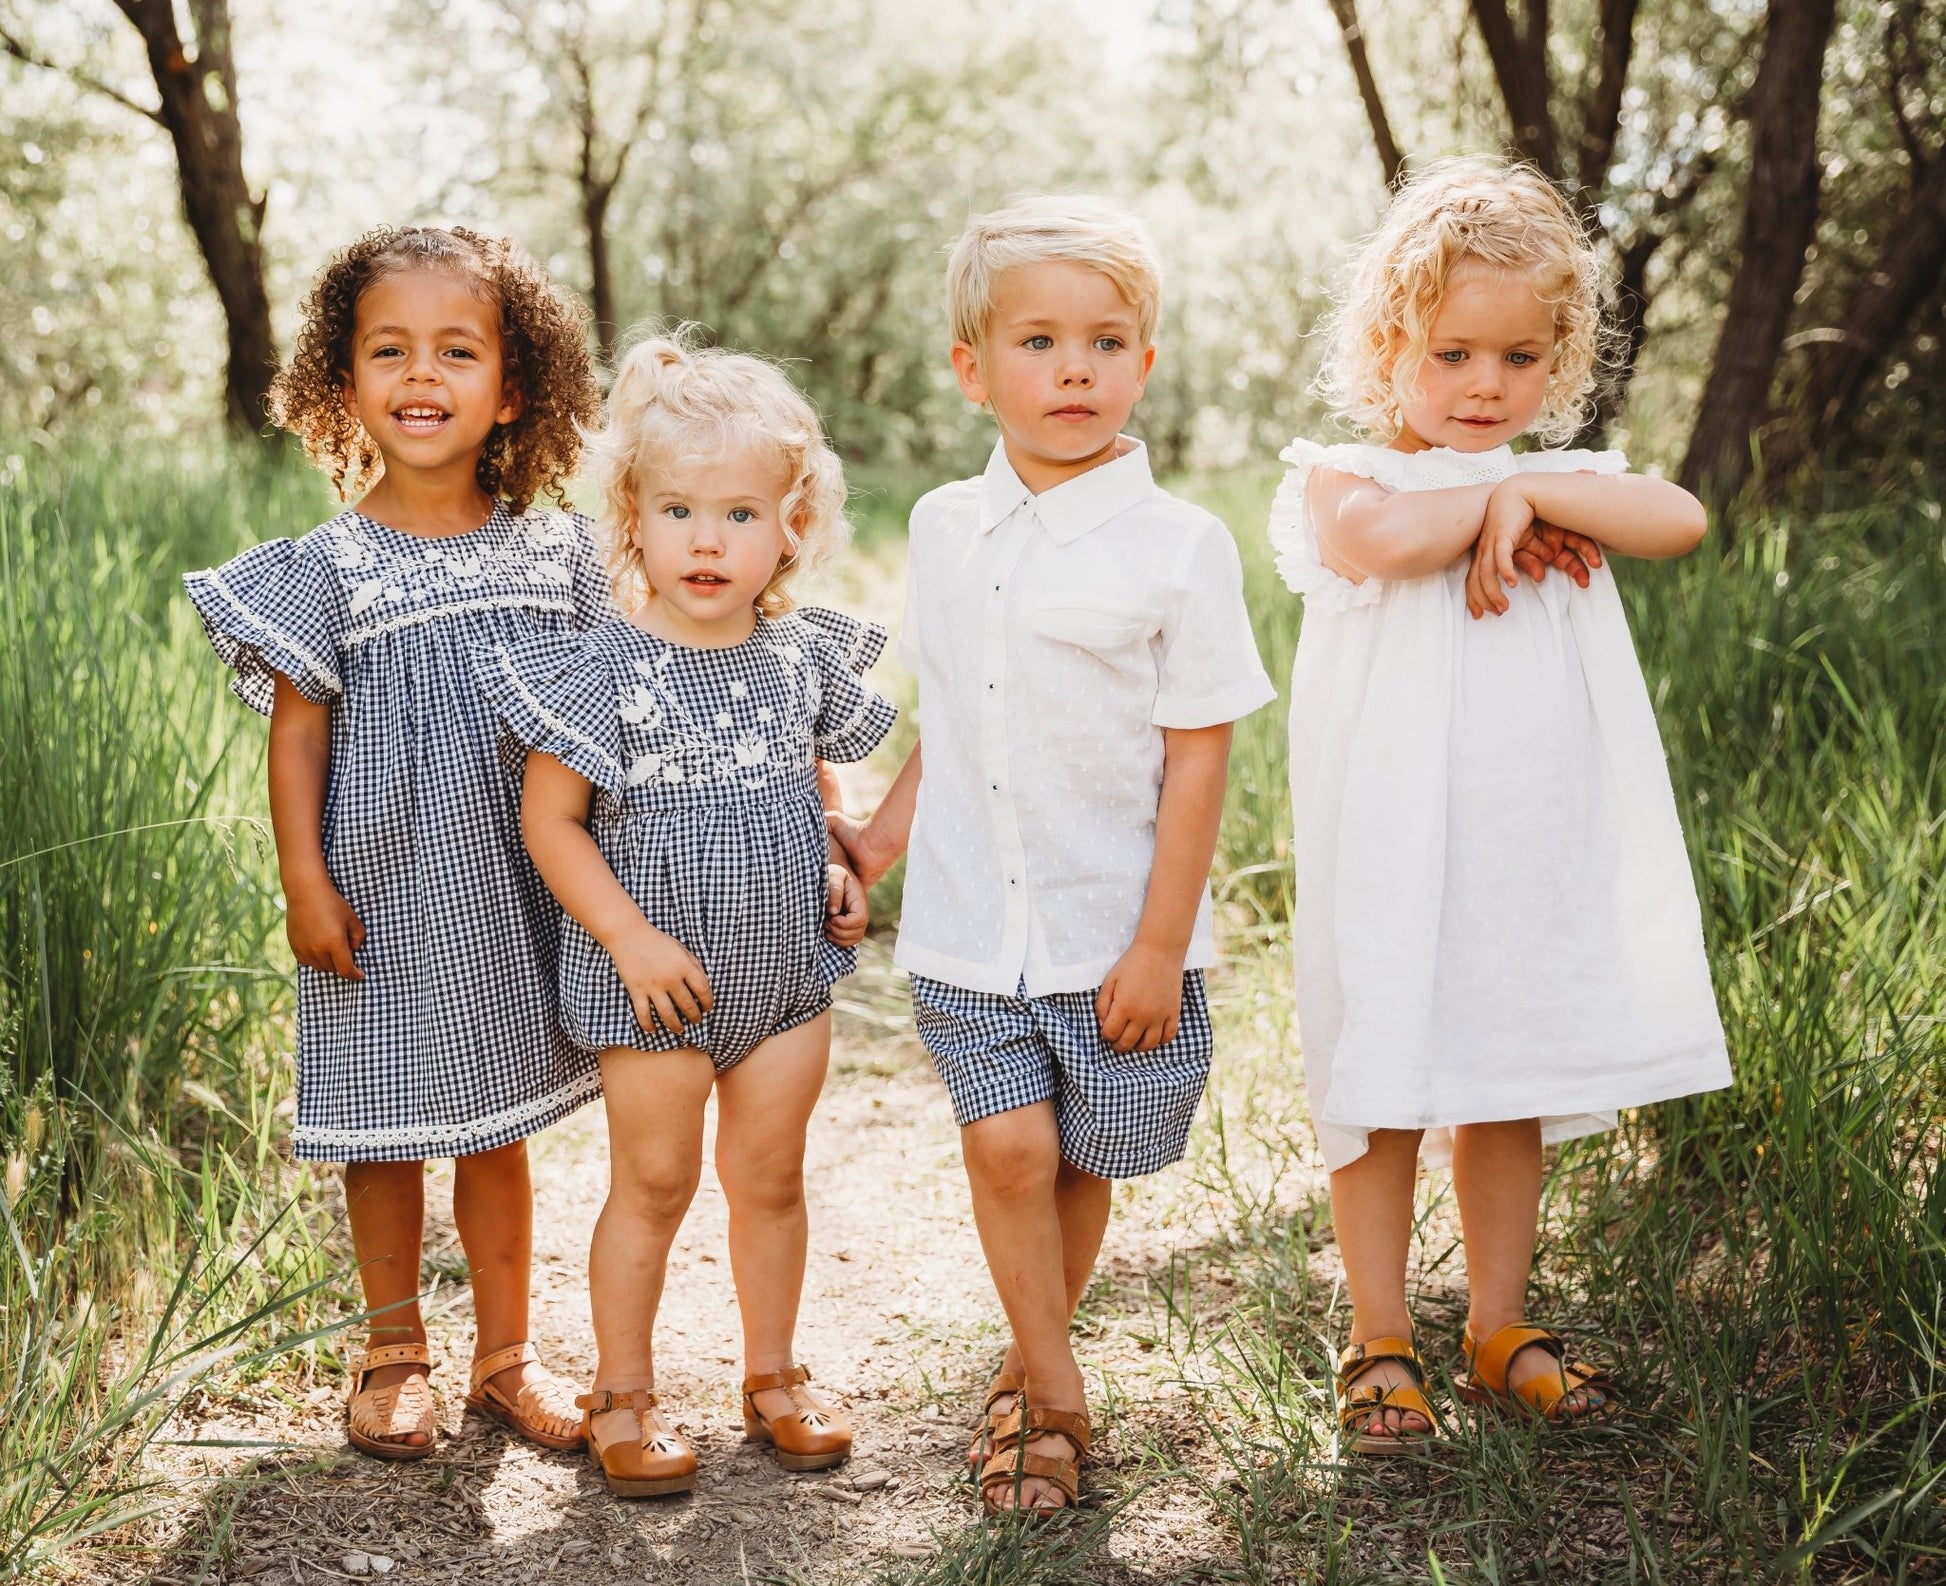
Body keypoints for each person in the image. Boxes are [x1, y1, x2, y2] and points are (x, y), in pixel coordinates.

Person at [1272, 157, 1731, 1451]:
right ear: (1385, 344)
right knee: (1382, 1075)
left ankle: (1495, 1322)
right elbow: (1385, 545)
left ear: (1562, 358)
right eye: (1454, 351)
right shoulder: (1340, 477)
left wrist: (1534, 486)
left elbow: (1681, 517)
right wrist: (1503, 499)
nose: (1487, 385)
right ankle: (1375, 1332)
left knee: (1501, 1068)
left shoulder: (1562, 485)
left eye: (1521, 358)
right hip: (1390, 838)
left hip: (1521, 836)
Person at [830, 196, 1276, 1514]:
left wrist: (1155, 943)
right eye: (1036, 339)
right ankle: (1049, 1395)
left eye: (1105, 339)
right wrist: (880, 839)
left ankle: (1034, 1366)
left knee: (1084, 1159)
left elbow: (1199, 756)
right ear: (972, 368)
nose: (1071, 367)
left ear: (1145, 361)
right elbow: (954, 716)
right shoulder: (938, 528)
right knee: (1009, 1151)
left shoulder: (1179, 548)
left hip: (1110, 934)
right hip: (973, 925)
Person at [183, 226, 608, 1460]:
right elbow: (299, 738)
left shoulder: (556, 550)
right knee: (380, 1126)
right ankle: (391, 1350)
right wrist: (302, 880)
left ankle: (505, 1356)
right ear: (343, 380)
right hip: (374, 892)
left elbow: (611, 702)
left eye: (457, 350)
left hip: (509, 888)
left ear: (513, 386)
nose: (422, 375)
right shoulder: (327, 568)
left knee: (494, 1120)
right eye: (389, 350)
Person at [477, 333, 893, 1498]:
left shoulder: (795, 654)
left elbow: (816, 782)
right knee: (653, 1184)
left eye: (738, 513)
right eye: (677, 509)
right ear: (631, 518)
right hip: (648, 985)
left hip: (781, 982)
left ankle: (772, 1374)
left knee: (770, 1178)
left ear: (790, 524)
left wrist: (835, 859)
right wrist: (626, 934)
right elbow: (550, 821)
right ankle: (622, 1393)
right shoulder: (603, 663)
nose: (707, 540)